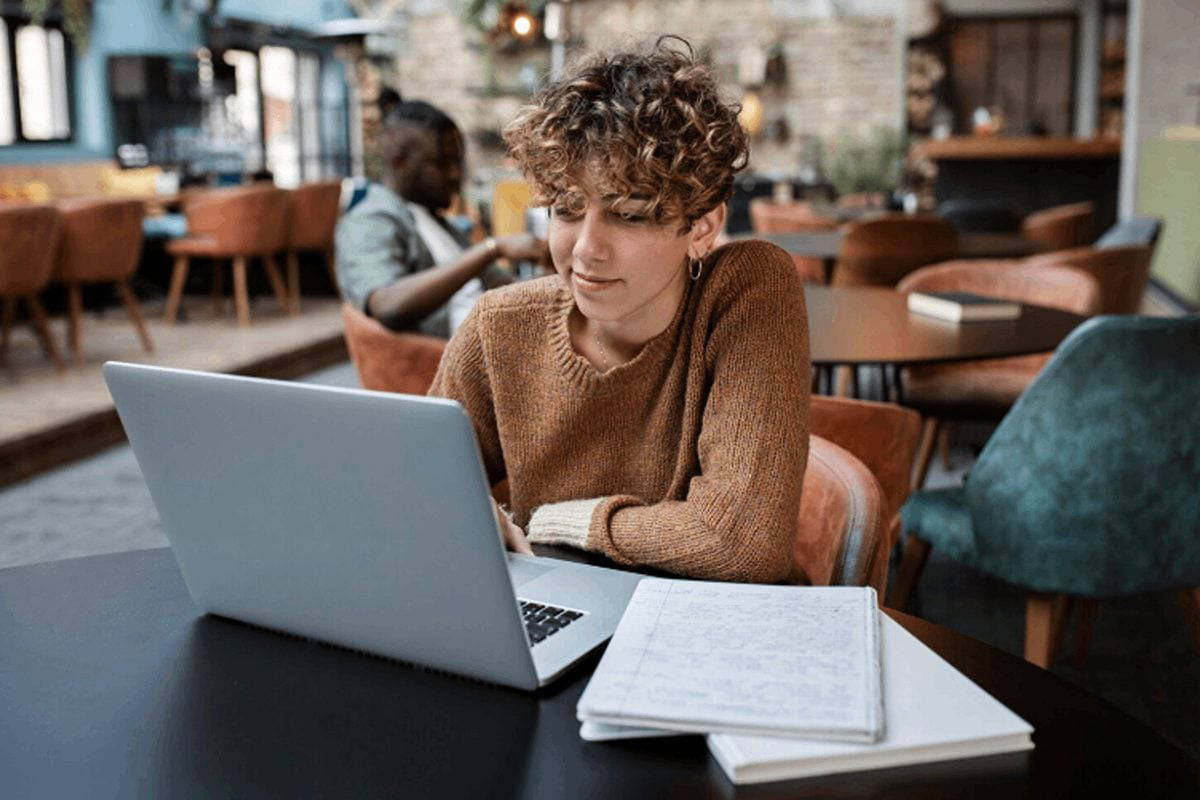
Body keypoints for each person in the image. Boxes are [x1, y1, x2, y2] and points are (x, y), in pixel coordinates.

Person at [429, 39, 811, 583]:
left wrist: (556, 524)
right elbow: (420, 491)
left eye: (629, 215)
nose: (586, 249)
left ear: (701, 227)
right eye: (566, 209)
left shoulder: (747, 290)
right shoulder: (500, 327)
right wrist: (472, 514)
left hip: (716, 632)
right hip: (566, 609)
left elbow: (740, 544)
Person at [335, 100, 548, 337]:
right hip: (443, 365)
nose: (456, 174)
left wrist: (553, 270)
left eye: (457, 162)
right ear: (399, 161)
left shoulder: (440, 224)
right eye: (442, 163)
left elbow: (508, 289)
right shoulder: (370, 219)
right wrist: (492, 248)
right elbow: (387, 305)